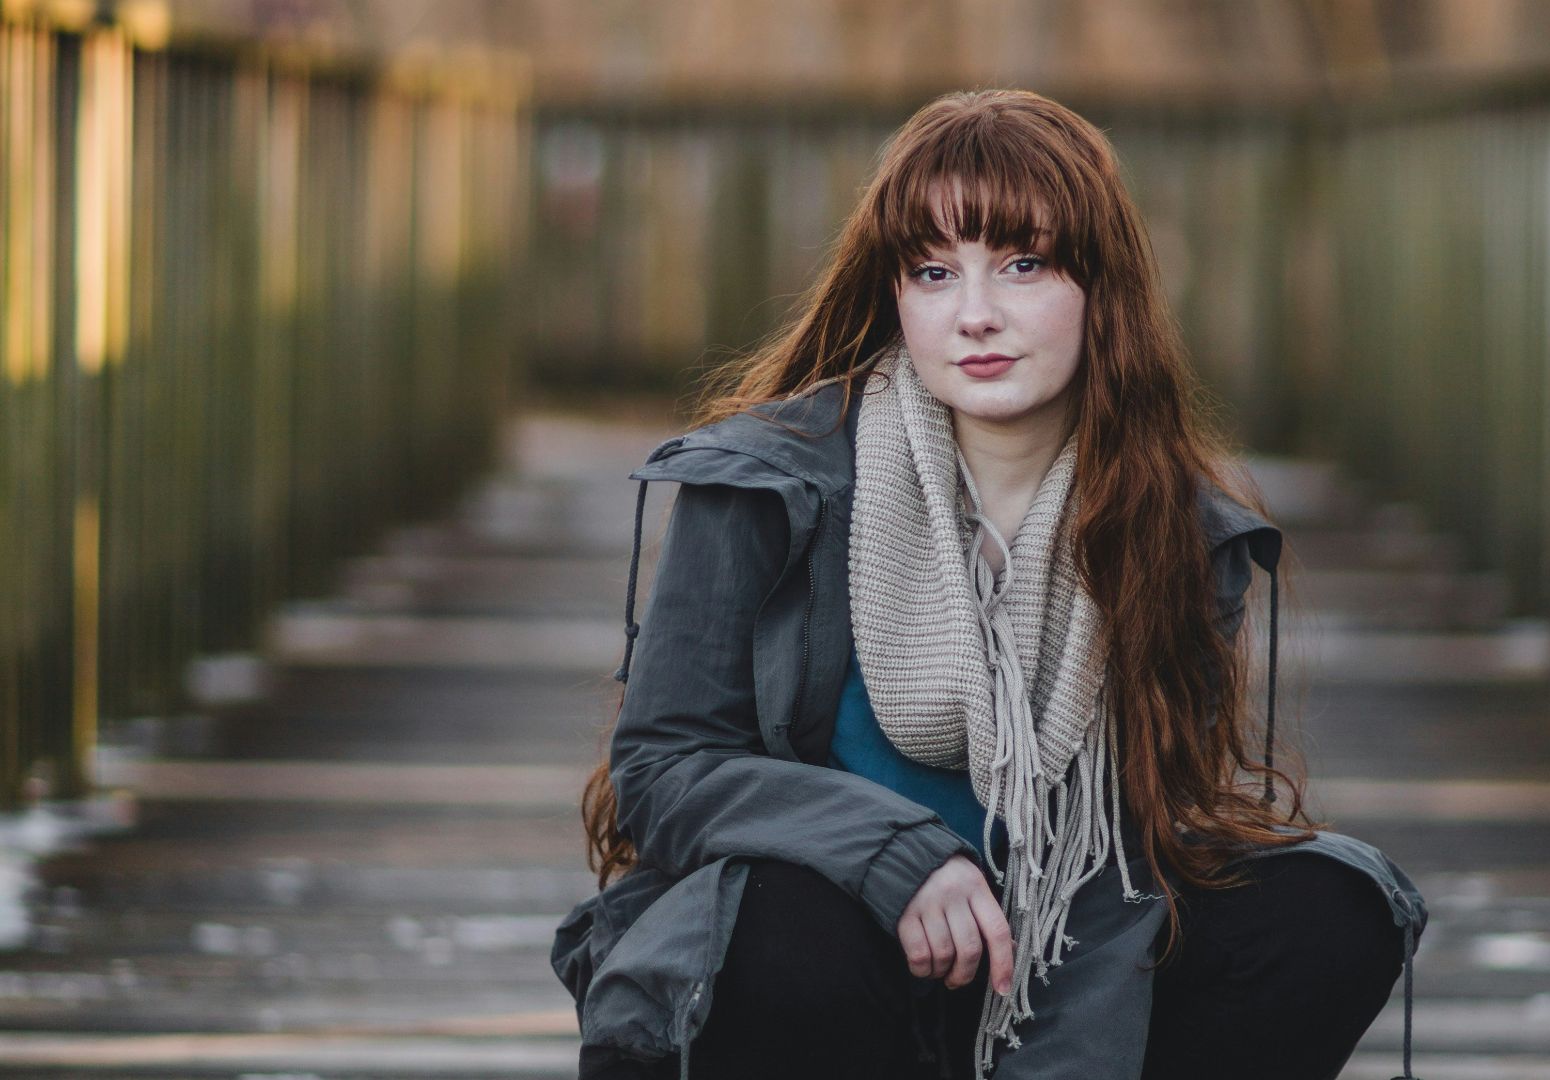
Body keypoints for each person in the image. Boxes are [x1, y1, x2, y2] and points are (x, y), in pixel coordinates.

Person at [551, 89, 1429, 1080]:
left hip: (1048, 950)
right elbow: (663, 768)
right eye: (934, 272)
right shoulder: (768, 485)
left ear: (1101, 286)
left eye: (1023, 264)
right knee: (788, 932)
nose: (976, 314)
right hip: (823, 964)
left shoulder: (1170, 528)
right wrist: (894, 854)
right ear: (895, 294)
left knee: (1333, 909)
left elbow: (1130, 854)